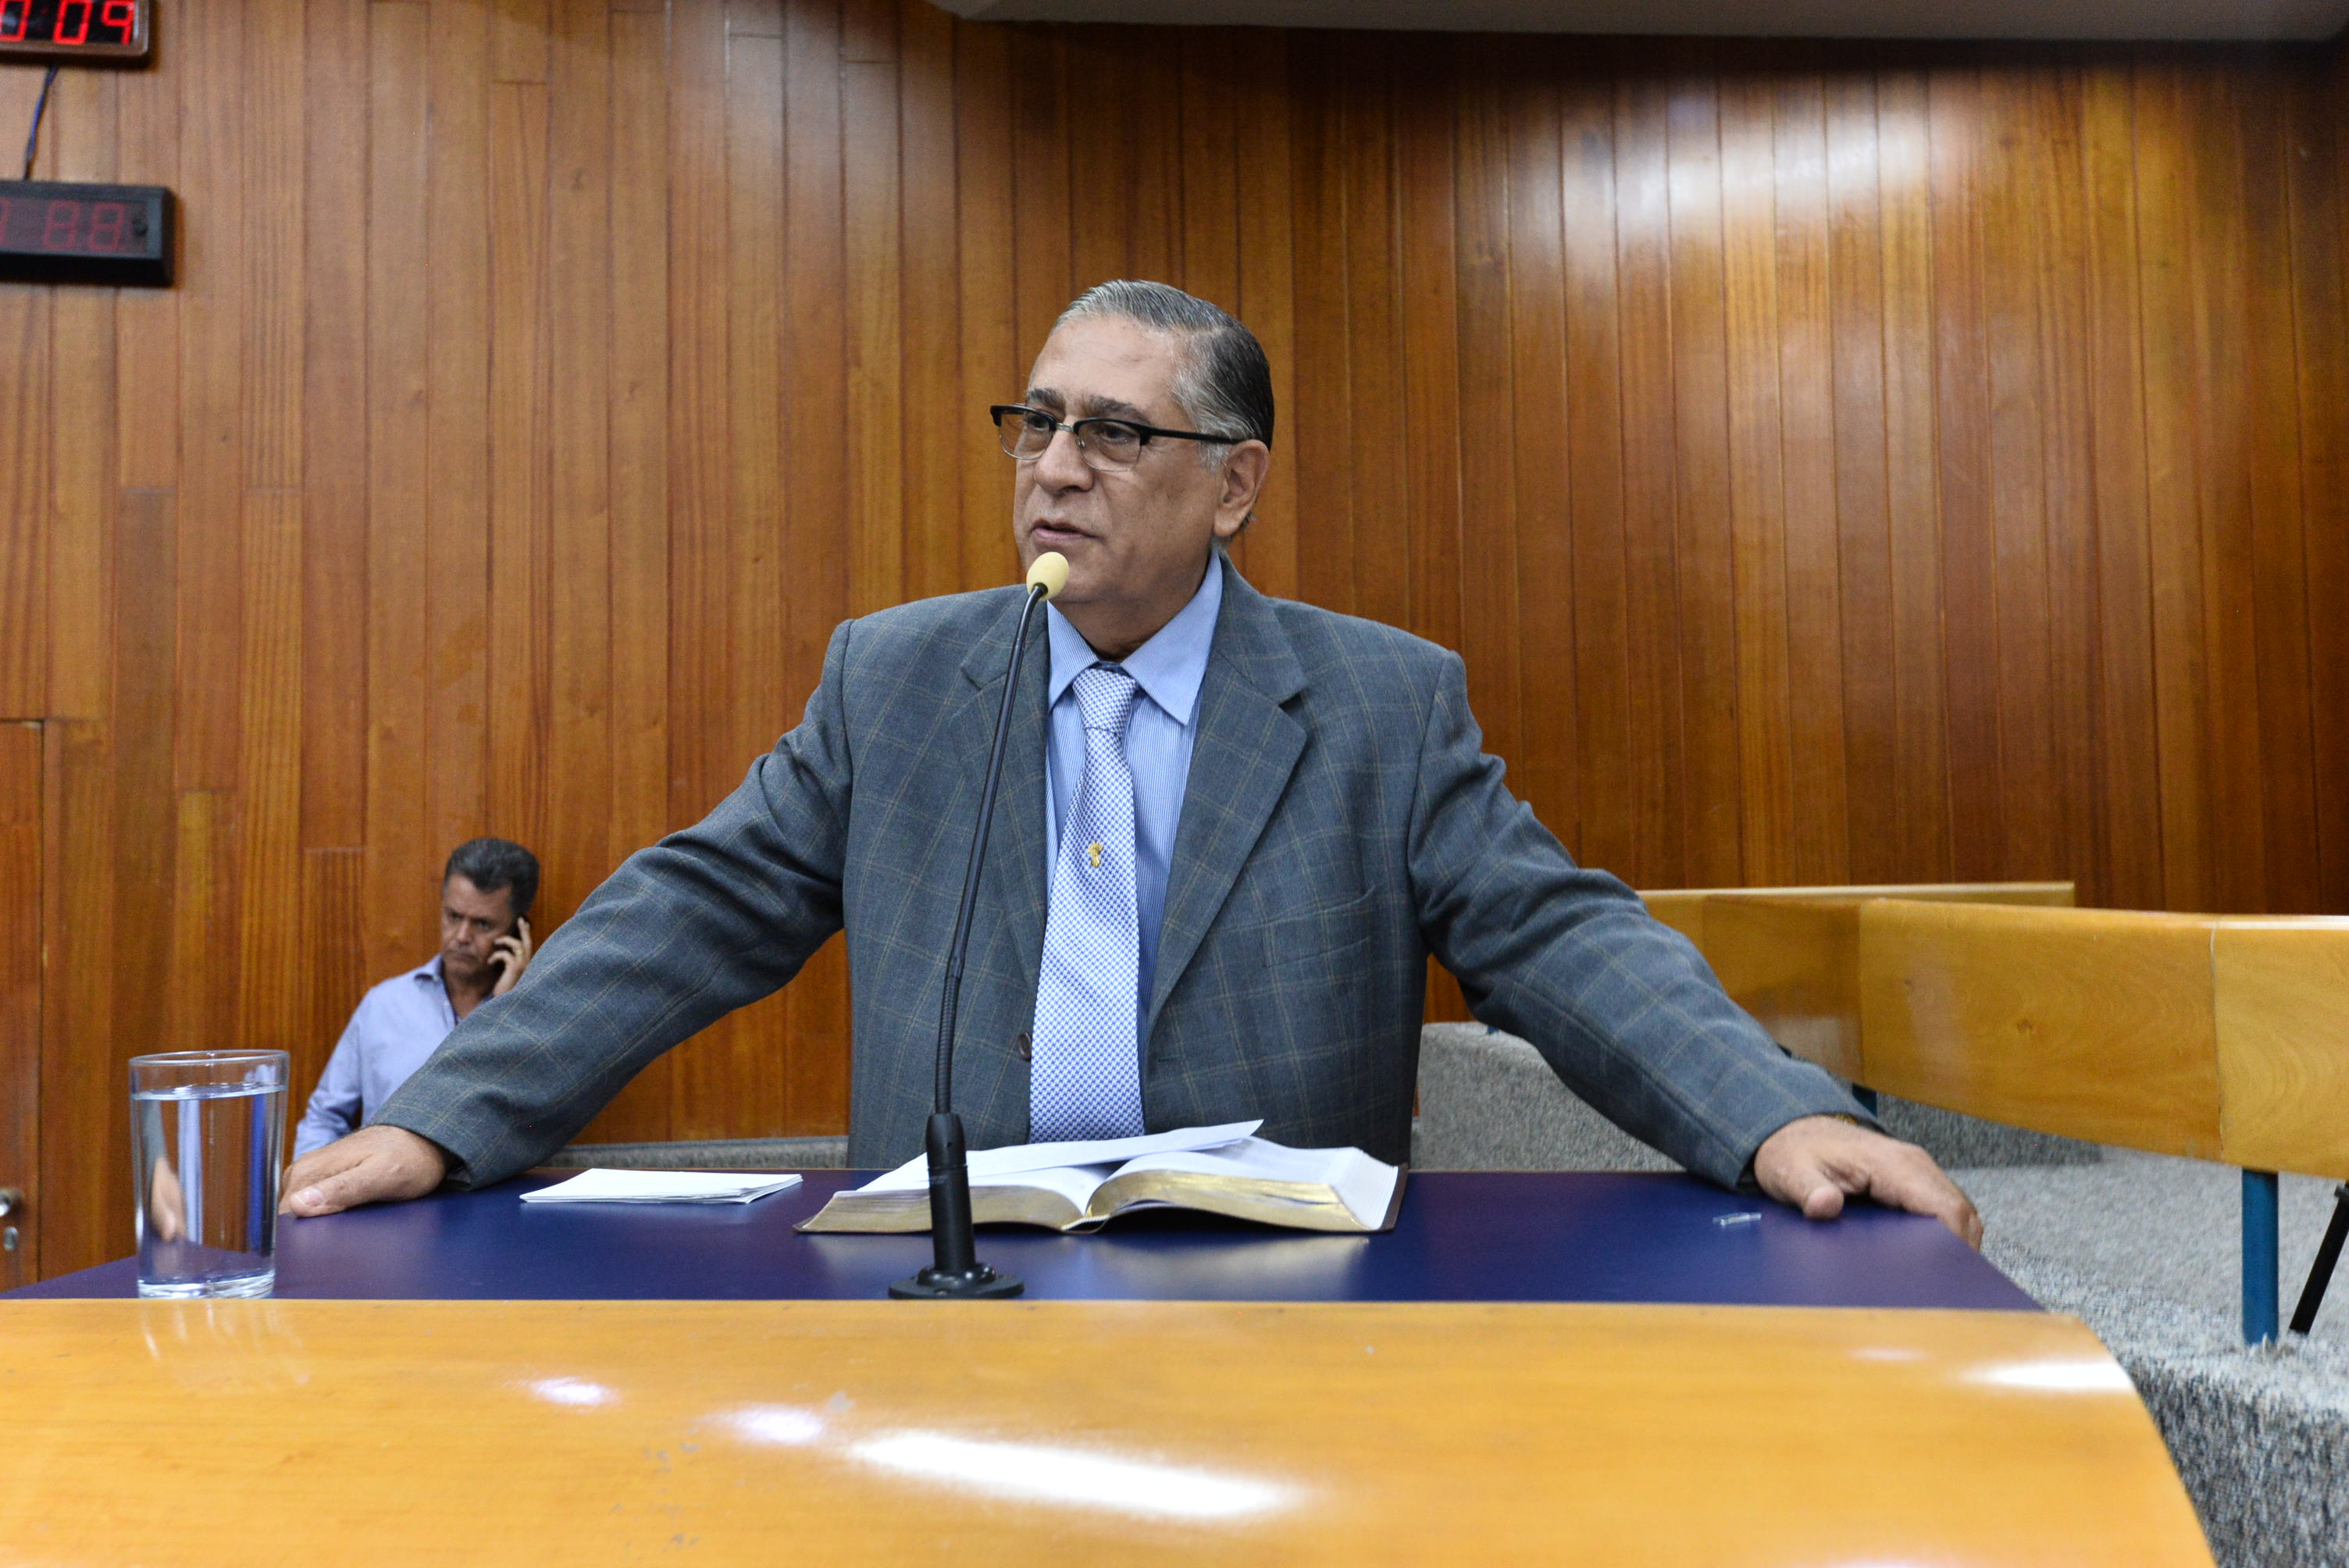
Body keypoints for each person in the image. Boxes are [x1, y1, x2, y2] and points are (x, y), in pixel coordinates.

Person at [283, 280, 1980, 1247]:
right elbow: (695, 906)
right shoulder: (900, 678)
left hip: (1281, 1300)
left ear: (1232, 485)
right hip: (945, 1285)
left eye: (1112, 432)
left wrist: (1768, 1110)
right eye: (1035, 423)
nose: (1053, 468)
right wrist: (445, 1115)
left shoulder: (1379, 704)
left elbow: (1556, 933)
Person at [289, 839, 540, 1158]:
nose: (462, 937)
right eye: (454, 916)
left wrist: (506, 1008)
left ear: (517, 930)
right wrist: (314, 1179)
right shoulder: (384, 1005)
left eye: (482, 924)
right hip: (379, 1185)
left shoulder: (529, 1016)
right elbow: (325, 1118)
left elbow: (525, 1123)